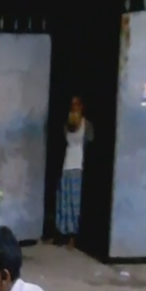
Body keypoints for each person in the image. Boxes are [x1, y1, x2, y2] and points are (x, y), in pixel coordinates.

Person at [55, 95, 93, 249]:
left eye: (77, 104)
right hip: (67, 164)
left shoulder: (86, 125)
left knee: (74, 203)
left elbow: (89, 142)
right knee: (63, 200)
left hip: (78, 166)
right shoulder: (67, 125)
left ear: (81, 107)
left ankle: (73, 236)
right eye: (72, 105)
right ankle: (62, 233)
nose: (74, 107)